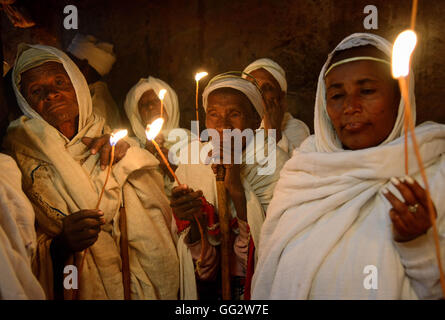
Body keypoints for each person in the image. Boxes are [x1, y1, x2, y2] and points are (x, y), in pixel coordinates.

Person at [252, 33, 445, 300]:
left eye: (367, 91)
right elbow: (269, 271)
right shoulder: (304, 173)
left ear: (399, 98)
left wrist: (420, 246)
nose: (350, 107)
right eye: (337, 95)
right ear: (324, 105)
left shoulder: (434, 171)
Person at [4, 43, 179, 300]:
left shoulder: (117, 147)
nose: (51, 94)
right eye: (36, 91)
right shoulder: (18, 158)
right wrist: (60, 245)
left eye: (60, 82)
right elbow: (16, 248)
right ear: (25, 103)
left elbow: (159, 230)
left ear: (78, 86)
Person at [170, 73, 289, 299]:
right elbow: (193, 250)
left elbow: (272, 246)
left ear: (255, 120)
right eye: (213, 115)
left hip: (250, 286)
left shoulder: (273, 162)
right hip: (207, 286)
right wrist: (193, 219)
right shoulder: (194, 158)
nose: (223, 125)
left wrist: (235, 187)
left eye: (234, 114)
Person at [124, 76, 188, 198]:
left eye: (156, 101)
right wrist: (145, 155)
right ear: (136, 114)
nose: (151, 107)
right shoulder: (130, 146)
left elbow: (200, 185)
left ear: (170, 105)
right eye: (143, 105)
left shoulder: (191, 142)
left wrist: (173, 169)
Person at [243, 58, 309, 157]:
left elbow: (287, 168)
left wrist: (273, 129)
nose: (259, 93)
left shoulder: (296, 129)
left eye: (268, 88)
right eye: (253, 86)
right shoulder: (234, 125)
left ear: (281, 97)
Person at [67, 33, 122, 129]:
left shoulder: (97, 105)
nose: (62, 68)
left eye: (69, 62)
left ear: (84, 68)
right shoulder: (87, 93)